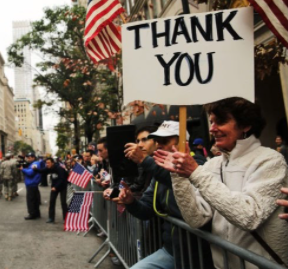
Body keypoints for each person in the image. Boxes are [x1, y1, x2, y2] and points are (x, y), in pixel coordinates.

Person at [154, 97, 288, 268]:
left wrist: (195, 172)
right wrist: (178, 175)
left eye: (221, 121)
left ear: (246, 125)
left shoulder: (271, 161)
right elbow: (196, 219)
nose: (212, 129)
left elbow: (248, 217)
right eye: (211, 122)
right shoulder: (213, 164)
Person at [108, 121, 211, 269]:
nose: (158, 145)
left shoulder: (199, 164)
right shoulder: (159, 171)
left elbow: (182, 183)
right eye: (156, 141)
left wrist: (144, 160)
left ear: (183, 142)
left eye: (164, 141)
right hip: (170, 251)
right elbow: (146, 210)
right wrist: (130, 201)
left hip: (198, 255)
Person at [124, 125, 158, 195]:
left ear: (157, 142)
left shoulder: (162, 165)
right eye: (138, 141)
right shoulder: (141, 162)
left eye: (145, 140)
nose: (139, 145)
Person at [33, 157, 68, 223]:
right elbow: (42, 171)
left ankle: (66, 218)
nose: (47, 164)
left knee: (63, 202)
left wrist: (56, 187)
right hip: (54, 186)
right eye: (46, 163)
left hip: (62, 186)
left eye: (49, 163)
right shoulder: (48, 168)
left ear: (52, 163)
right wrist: (35, 169)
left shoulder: (59, 168)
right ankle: (51, 218)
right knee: (52, 201)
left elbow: (62, 179)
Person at [21, 152, 43, 220]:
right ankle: (36, 213)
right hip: (32, 183)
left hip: (32, 183)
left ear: (33, 157)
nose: (28, 159)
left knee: (31, 200)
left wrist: (22, 169)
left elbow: (30, 173)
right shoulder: (33, 164)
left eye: (29, 157)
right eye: (27, 157)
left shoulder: (35, 164)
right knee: (35, 200)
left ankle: (32, 214)